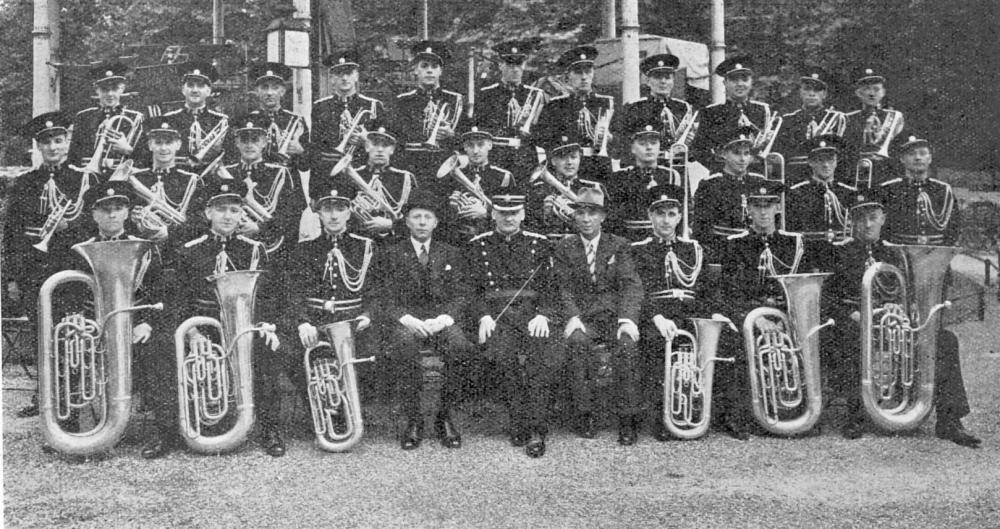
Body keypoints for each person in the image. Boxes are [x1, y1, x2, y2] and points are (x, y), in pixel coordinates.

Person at [825, 192, 980, 448]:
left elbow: (908, 293)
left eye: (873, 218)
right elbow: (826, 297)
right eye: (861, 218)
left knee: (944, 339)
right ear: (852, 221)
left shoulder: (896, 253)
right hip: (856, 322)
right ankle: (857, 413)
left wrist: (906, 312)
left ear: (883, 219)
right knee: (850, 338)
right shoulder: (837, 252)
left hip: (893, 323)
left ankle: (950, 420)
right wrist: (852, 314)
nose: (867, 224)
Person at [172, 179, 286, 457]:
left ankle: (269, 428)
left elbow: (268, 295)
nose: (228, 216)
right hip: (206, 326)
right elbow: (178, 298)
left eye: (234, 210)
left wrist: (266, 324)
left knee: (267, 351)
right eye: (221, 209)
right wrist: (192, 332)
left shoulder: (254, 249)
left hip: (246, 325)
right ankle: (196, 423)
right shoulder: (190, 250)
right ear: (208, 213)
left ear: (241, 215)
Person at [3, 112, 95, 418]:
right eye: (46, 142)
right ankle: (44, 394)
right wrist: (14, 279)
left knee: (71, 333)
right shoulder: (25, 182)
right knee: (42, 333)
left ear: (67, 142)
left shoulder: (83, 179)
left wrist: (73, 228)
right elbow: (12, 233)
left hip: (72, 269)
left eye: (58, 140)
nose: (53, 147)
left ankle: (71, 397)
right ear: (38, 147)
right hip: (34, 271)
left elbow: (96, 227)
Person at [373, 189, 474, 450]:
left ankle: (445, 416)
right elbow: (383, 296)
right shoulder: (391, 253)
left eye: (427, 217)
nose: (421, 222)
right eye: (416, 217)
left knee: (460, 346)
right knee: (403, 347)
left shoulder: (451, 252)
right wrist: (405, 318)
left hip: (440, 321)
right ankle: (414, 418)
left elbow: (463, 293)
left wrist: (445, 318)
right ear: (406, 221)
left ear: (436, 223)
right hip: (406, 322)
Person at [467, 194, 559, 457]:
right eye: (502, 212)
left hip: (532, 315)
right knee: (503, 358)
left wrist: (544, 314)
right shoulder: (477, 245)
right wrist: (482, 315)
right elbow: (470, 290)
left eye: (514, 212)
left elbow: (551, 286)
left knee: (539, 359)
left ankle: (537, 428)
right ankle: (518, 420)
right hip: (496, 316)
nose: (508, 218)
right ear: (492, 214)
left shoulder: (540, 244)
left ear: (523, 215)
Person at [552, 185, 644, 445]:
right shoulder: (565, 247)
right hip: (584, 318)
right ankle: (585, 413)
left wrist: (627, 320)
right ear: (574, 216)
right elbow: (562, 287)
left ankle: (627, 419)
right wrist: (572, 318)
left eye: (592, 213)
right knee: (577, 344)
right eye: (580, 212)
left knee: (627, 347)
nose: (586, 219)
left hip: (615, 318)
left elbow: (630, 284)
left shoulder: (619, 245)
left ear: (603, 216)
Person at [286, 181, 377, 441]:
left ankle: (352, 409)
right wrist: (302, 322)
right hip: (316, 319)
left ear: (349, 212)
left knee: (374, 352)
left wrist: (367, 315)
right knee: (293, 352)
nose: (334, 215)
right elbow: (293, 292)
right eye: (327, 209)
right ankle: (319, 411)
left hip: (354, 319)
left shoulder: (366, 247)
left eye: (340, 208)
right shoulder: (304, 249)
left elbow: (377, 289)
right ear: (319, 213)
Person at [631, 186, 722, 441]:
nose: (666, 220)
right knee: (656, 342)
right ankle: (663, 416)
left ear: (680, 217)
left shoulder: (694, 249)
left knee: (718, 344)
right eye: (660, 214)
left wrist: (712, 314)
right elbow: (637, 291)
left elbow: (706, 290)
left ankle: (714, 413)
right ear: (650, 216)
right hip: (657, 313)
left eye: (671, 214)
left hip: (690, 312)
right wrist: (656, 317)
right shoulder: (637, 249)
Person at [718, 181, 804, 440]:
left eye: (769, 205)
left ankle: (798, 410)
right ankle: (739, 415)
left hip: (787, 314)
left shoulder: (795, 243)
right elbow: (727, 291)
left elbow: (803, 287)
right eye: (757, 206)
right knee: (734, 341)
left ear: (778, 208)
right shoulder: (734, 245)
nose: (764, 212)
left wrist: (784, 318)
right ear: (749, 209)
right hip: (750, 314)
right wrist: (754, 317)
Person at [217, 120, 305, 260]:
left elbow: (292, 213)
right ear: (237, 143)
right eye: (244, 140)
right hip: (233, 247)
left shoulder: (281, 173)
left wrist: (259, 228)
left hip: (272, 250)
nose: (250, 145)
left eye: (255, 140)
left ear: (264, 143)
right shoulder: (225, 173)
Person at [534, 46, 614, 181]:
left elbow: (622, 138)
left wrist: (610, 137)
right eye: (578, 73)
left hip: (599, 166)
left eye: (588, 72)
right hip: (567, 167)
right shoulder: (556, 105)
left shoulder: (607, 103)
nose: (584, 77)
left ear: (593, 73)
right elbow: (543, 139)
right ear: (568, 77)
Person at [691, 126, 768, 259]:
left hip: (756, 250)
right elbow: (701, 229)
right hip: (723, 250)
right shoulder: (710, 184)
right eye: (737, 153)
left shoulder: (759, 181)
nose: (743, 159)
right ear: (724, 154)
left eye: (747, 153)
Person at [473, 39, 546, 177]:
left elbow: (544, 131)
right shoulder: (485, 94)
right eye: (509, 64)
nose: (515, 69)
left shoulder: (536, 94)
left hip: (525, 157)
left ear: (524, 65)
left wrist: (530, 126)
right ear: (501, 65)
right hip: (496, 155)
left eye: (519, 64)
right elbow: (480, 128)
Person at [393, 41, 464, 181]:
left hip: (444, 165)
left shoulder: (456, 100)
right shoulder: (403, 101)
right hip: (412, 165)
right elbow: (397, 138)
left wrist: (452, 134)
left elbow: (465, 135)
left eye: (434, 66)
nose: (429, 70)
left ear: (440, 71)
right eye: (424, 66)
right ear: (415, 70)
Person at [335, 122, 416, 241]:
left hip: (394, 241)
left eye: (385, 145)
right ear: (367, 147)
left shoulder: (405, 178)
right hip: (358, 242)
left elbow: (415, 216)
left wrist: (391, 225)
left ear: (392, 149)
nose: (379, 150)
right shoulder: (351, 175)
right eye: (375, 144)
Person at [785, 135, 856, 271]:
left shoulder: (848, 192)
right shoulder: (797, 192)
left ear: (836, 162)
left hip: (842, 256)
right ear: (810, 162)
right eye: (820, 160)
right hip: (810, 257)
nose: (826, 165)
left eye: (830, 159)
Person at [127, 116, 203, 243]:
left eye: (168, 143)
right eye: (158, 142)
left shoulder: (191, 180)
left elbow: (198, 221)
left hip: (177, 247)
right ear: (150, 145)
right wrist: (133, 218)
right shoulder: (136, 178)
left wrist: (171, 232)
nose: (163, 148)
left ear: (178, 145)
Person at [438, 126, 517, 245]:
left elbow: (512, 214)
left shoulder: (503, 176)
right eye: (470, 145)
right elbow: (441, 213)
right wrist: (452, 207)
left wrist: (486, 213)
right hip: (457, 239)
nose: (475, 151)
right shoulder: (453, 174)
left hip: (491, 240)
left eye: (480, 145)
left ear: (489, 145)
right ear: (465, 147)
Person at [691, 56, 771, 169]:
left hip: (755, 173)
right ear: (725, 82)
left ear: (751, 82)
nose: (740, 84)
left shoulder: (762, 110)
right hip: (723, 175)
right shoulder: (710, 112)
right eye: (734, 80)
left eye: (744, 79)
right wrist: (720, 169)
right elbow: (699, 150)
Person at [606, 125, 684, 241]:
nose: (649, 148)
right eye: (642, 144)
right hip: (630, 238)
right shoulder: (620, 177)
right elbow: (614, 218)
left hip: (663, 239)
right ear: (632, 148)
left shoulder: (672, 175)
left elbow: (681, 212)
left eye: (653, 143)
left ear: (659, 147)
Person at [311, 49, 384, 172]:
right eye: (339, 74)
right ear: (332, 78)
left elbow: (384, 146)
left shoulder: (373, 106)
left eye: (349, 73)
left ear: (356, 76)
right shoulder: (319, 107)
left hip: (361, 170)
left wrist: (366, 139)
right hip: (328, 171)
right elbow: (315, 147)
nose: (344, 78)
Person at [147, 61, 229, 169]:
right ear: (183, 90)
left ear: (208, 91)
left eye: (200, 86)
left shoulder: (221, 121)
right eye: (190, 85)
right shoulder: (167, 119)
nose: (195, 90)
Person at [879, 135, 960, 245]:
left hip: (936, 254)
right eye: (911, 154)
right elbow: (882, 229)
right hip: (898, 253)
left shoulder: (943, 190)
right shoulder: (889, 189)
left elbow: (953, 228)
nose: (917, 157)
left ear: (930, 159)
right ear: (902, 159)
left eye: (922, 153)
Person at [772, 67, 846, 184]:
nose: (812, 94)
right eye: (807, 89)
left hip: (826, 177)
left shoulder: (838, 119)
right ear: (800, 92)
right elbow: (781, 155)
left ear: (825, 94)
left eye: (817, 90)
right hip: (795, 177)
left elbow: (842, 155)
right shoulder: (787, 120)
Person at [613, 53, 693, 159]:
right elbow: (622, 143)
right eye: (657, 77)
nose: (663, 81)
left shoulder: (683, 108)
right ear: (648, 81)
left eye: (667, 77)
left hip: (676, 167)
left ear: (673, 81)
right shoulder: (634, 108)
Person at [66, 62, 144, 170]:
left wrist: (128, 150)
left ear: (122, 89)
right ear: (96, 89)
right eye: (105, 89)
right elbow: (73, 157)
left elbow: (145, 159)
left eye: (115, 89)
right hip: (88, 177)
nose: (110, 94)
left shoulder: (135, 118)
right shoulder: (83, 117)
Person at [238, 62, 309, 171]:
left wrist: (300, 151)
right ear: (257, 91)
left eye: (275, 88)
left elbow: (305, 167)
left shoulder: (296, 121)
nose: (269, 93)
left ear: (282, 91)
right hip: (257, 181)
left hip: (288, 181)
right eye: (264, 88)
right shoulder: (246, 121)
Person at [525, 136, 599, 239]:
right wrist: (545, 214)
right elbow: (530, 226)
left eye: (573, 157)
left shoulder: (592, 188)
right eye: (563, 158)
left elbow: (601, 227)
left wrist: (575, 215)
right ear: (553, 161)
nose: (569, 162)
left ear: (580, 159)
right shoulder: (539, 190)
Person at [842, 67, 905, 186]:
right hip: (855, 175)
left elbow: (898, 149)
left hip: (886, 174)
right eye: (866, 89)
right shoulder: (847, 118)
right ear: (858, 93)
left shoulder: (896, 117)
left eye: (876, 89)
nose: (871, 93)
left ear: (883, 92)